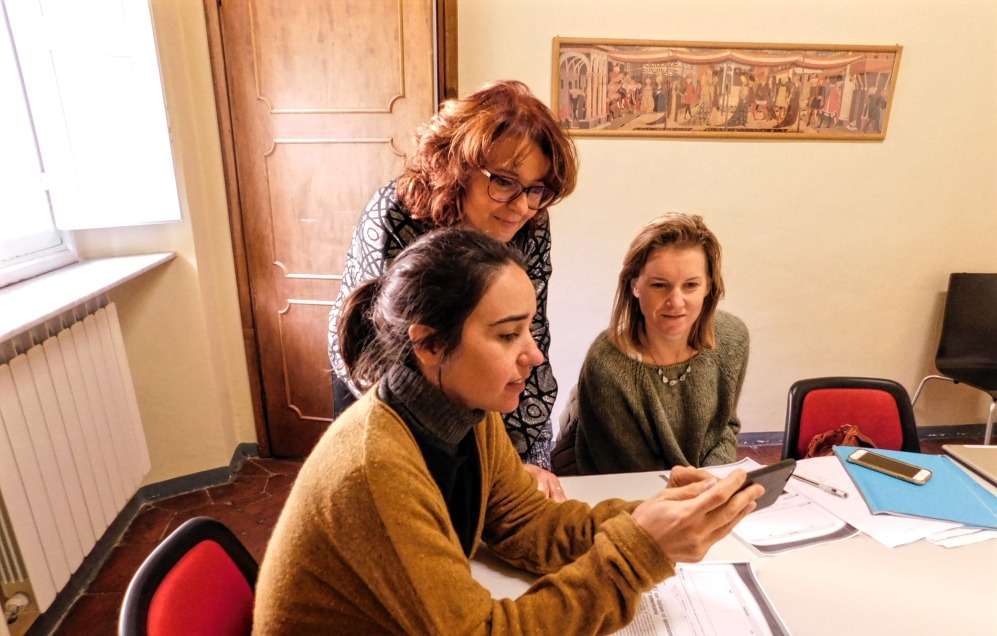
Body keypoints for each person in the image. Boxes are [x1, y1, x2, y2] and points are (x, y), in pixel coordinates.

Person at [254, 227, 762, 634]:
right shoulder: (375, 469)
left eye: (529, 329)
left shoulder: (467, 413)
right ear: (429, 344)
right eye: (506, 335)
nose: (534, 354)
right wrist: (640, 550)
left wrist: (651, 517)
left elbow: (529, 526)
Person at [327, 80, 578, 495]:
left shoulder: (530, 219)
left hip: (463, 373)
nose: (520, 206)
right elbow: (391, 358)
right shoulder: (397, 214)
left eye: (537, 189)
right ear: (459, 166)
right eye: (504, 182)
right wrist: (488, 469)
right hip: (381, 370)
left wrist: (528, 459)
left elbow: (526, 337)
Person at [558, 213, 749, 475]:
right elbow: (631, 471)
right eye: (660, 285)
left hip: (699, 490)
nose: (676, 301)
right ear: (635, 285)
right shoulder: (607, 363)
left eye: (691, 285)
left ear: (709, 286)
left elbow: (723, 428)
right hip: (620, 492)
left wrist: (713, 482)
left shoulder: (731, 337)